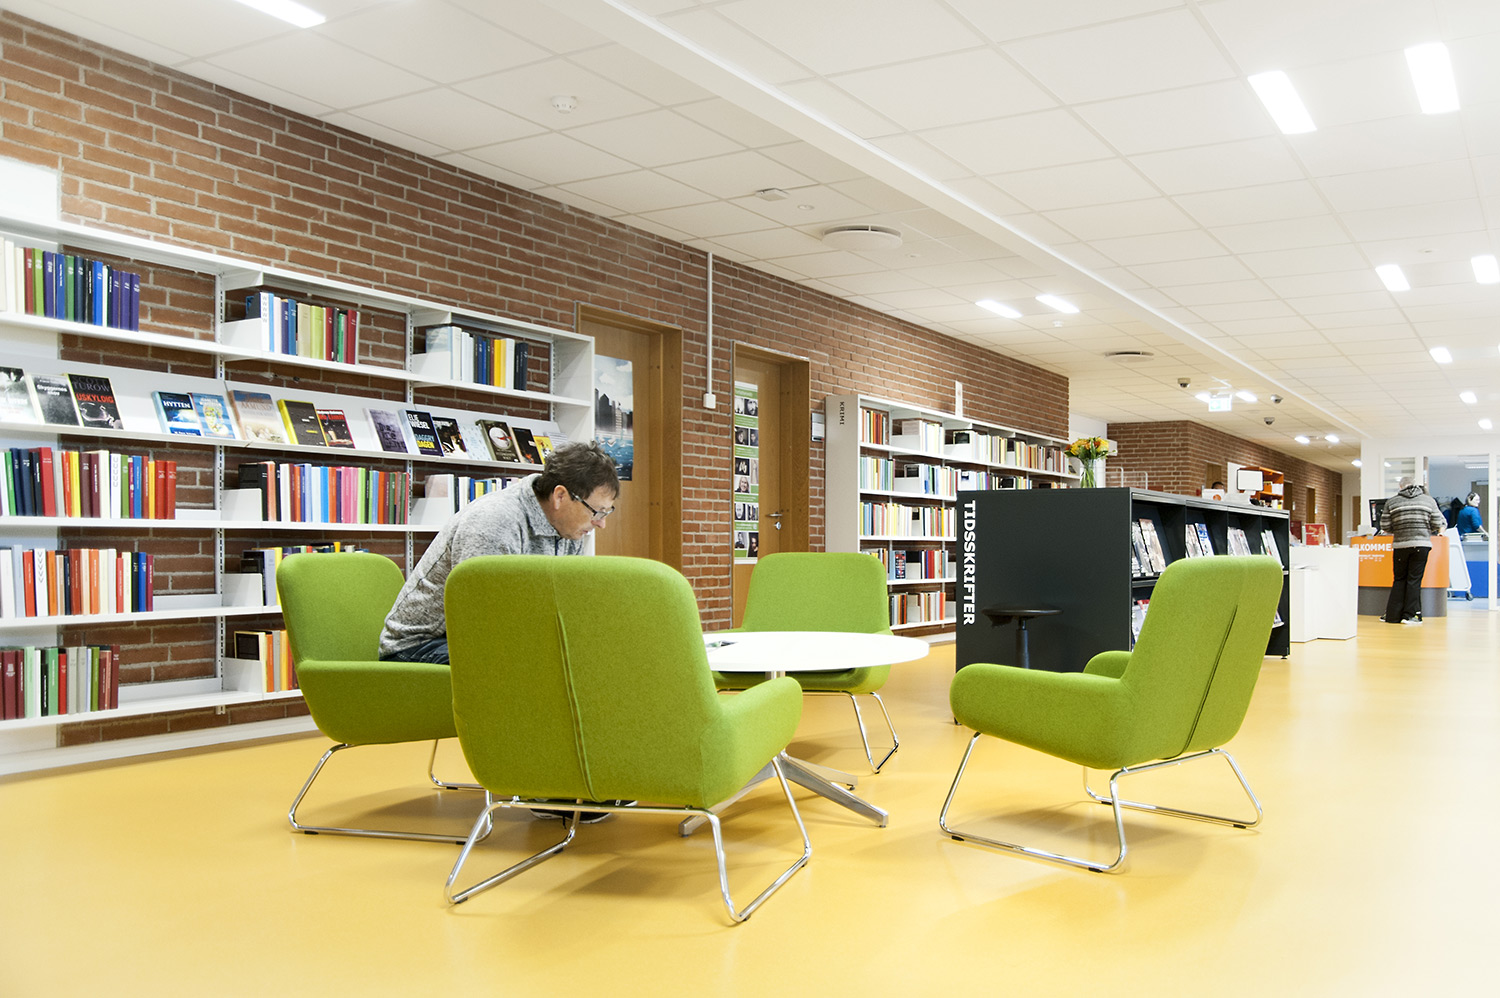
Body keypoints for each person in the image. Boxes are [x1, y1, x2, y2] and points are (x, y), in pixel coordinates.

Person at [380, 441, 619, 663]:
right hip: (419, 646)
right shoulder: (495, 522)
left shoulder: (570, 529)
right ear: (560, 496)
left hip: (486, 640)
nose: (601, 523)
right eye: (597, 511)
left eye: (606, 512)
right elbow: (480, 622)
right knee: (536, 664)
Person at [1378, 476, 1446, 625]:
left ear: (1400, 487)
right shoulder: (1428, 501)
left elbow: (1384, 526)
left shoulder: (1392, 502)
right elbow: (1437, 522)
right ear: (1415, 486)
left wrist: (1399, 528)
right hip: (1421, 545)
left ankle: (1392, 616)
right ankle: (1411, 615)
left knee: (1399, 579)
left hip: (1400, 545)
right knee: (1414, 580)